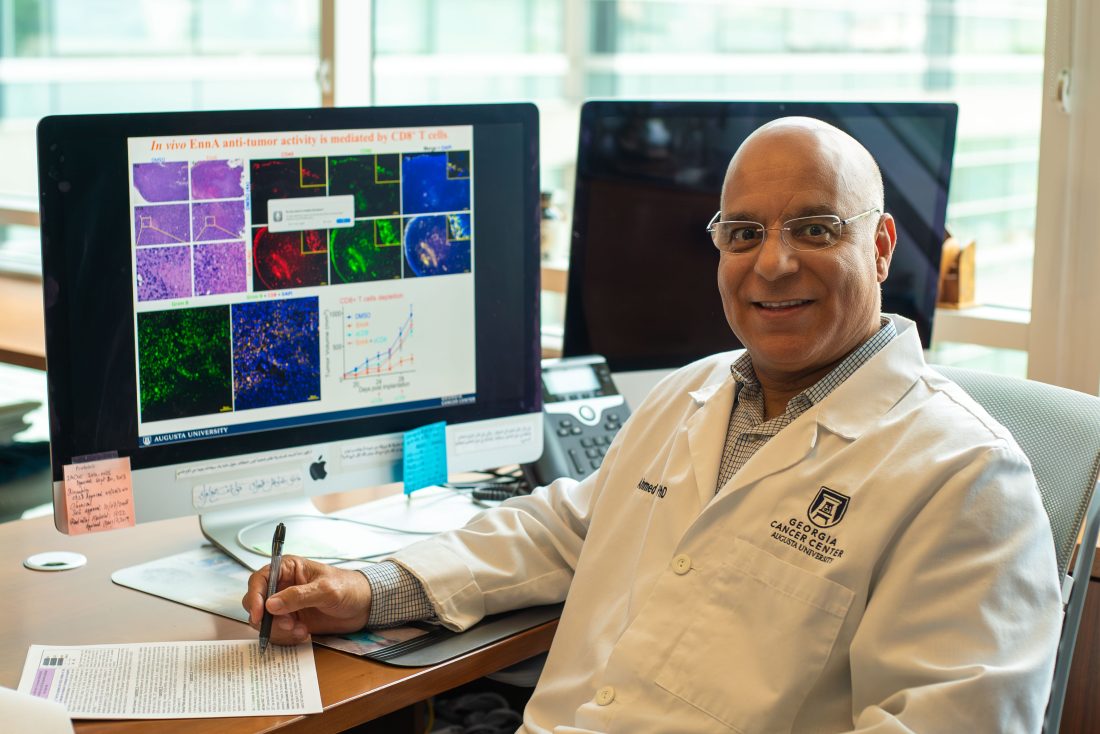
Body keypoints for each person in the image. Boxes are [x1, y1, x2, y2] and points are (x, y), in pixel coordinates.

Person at [244, 117, 1061, 732]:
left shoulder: (967, 480)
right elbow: (564, 530)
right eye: (743, 234)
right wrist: (368, 587)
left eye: (815, 228)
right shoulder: (694, 393)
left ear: (881, 246)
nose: (773, 263)